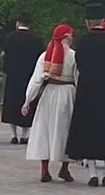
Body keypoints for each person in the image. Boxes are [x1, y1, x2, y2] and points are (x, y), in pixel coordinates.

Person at [65, 3, 105, 187]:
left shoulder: (84, 42)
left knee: (89, 131)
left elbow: (80, 64)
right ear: (103, 21)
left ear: (88, 22)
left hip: (88, 92)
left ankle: (92, 173)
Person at [24, 24, 77, 183]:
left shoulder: (45, 56)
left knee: (45, 130)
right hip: (67, 94)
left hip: (49, 94)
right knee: (65, 130)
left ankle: (45, 169)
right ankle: (64, 168)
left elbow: (36, 80)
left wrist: (28, 100)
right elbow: (78, 78)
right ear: (67, 37)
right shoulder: (74, 56)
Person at [1, 13, 46, 145]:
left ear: (18, 23)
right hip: (29, 75)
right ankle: (25, 135)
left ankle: (14, 134)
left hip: (13, 75)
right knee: (28, 102)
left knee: (12, 104)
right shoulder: (37, 40)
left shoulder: (10, 38)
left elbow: (6, 57)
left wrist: (6, 70)